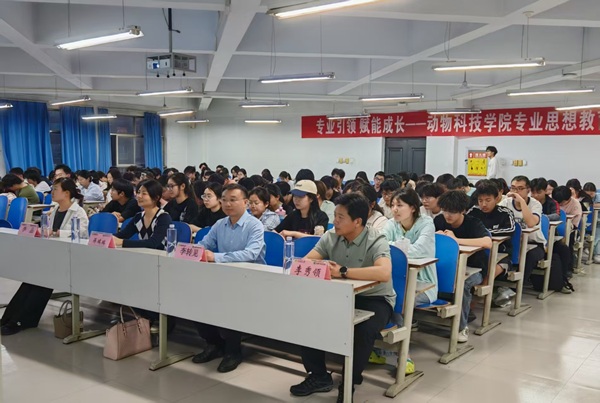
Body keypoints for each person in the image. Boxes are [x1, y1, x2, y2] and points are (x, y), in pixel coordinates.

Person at [289, 193, 395, 402]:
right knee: (308, 318)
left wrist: (343, 271)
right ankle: (318, 376)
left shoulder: (376, 239)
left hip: (375, 298)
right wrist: (318, 265)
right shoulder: (331, 236)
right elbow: (305, 262)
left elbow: (384, 273)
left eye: (340, 217)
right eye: (335, 216)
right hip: (340, 295)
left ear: (357, 221)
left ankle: (348, 383)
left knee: (363, 330)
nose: (335, 221)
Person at [1, 178, 88, 335]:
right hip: (52, 255)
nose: (52, 192)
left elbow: (82, 234)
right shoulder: (55, 210)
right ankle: (9, 317)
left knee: (42, 280)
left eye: (55, 189)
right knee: (30, 281)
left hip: (69, 257)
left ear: (66, 193)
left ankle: (21, 321)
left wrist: (57, 233)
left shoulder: (78, 212)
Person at [193, 184, 266, 373]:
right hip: (224, 276)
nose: (227, 204)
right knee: (196, 299)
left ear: (245, 202)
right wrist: (193, 251)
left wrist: (216, 257)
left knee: (230, 302)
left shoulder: (254, 225)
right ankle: (214, 344)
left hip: (251, 278)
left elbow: (251, 254)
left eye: (233, 200)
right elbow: (204, 244)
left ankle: (233, 352)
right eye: (224, 200)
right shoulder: (220, 224)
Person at [435, 190, 492, 343]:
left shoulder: (473, 223)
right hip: (448, 266)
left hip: (474, 268)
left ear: (462, 211)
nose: (447, 215)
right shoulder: (439, 220)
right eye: (445, 210)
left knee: (462, 283)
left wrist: (455, 240)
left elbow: (487, 242)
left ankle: (461, 327)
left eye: (452, 212)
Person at [381, 188, 438, 307]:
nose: (394, 209)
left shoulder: (426, 224)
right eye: (392, 205)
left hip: (423, 283)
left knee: (397, 301)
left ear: (413, 208)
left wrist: (392, 246)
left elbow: (417, 250)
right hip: (395, 280)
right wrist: (399, 248)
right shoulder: (392, 223)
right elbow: (380, 245)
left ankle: (400, 319)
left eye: (399, 205)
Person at [466, 180, 516, 305]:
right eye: (480, 200)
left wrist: (484, 233)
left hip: (501, 254)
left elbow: (510, 230)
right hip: (477, 252)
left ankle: (478, 297)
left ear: (497, 198)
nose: (484, 204)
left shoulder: (505, 213)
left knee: (493, 269)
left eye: (488, 200)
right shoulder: (473, 212)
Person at [499, 176, 547, 282]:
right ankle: (501, 283)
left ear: (528, 190)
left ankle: (519, 284)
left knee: (529, 257)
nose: (516, 192)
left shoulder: (535, 204)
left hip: (534, 244)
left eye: (520, 189)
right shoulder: (506, 203)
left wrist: (521, 202)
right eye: (513, 188)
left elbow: (531, 223)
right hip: (513, 243)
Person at [113, 180, 172, 249]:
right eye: (138, 192)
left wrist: (122, 242)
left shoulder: (163, 217)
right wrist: (106, 237)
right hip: (145, 254)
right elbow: (122, 235)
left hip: (161, 254)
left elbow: (153, 243)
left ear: (156, 198)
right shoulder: (138, 217)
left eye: (144, 193)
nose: (139, 196)